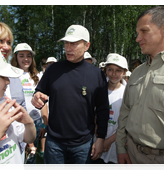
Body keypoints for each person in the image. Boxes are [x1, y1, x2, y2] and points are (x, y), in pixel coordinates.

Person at [116, 6, 164, 170]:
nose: (137, 38)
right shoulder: (137, 73)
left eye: (144, 31)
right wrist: (121, 148)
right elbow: (125, 112)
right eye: (138, 32)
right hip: (133, 156)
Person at [31, 24, 109, 170]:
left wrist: (101, 138)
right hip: (54, 143)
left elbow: (103, 109)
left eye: (74, 43)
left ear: (87, 46)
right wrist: (37, 97)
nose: (68, 48)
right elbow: (39, 92)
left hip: (83, 145)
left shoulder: (97, 74)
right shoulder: (53, 69)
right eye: (66, 43)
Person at [11, 43, 48, 169]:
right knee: (17, 155)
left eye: (28, 56)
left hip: (36, 122)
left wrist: (44, 122)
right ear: (15, 57)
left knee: (31, 157)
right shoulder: (11, 76)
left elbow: (43, 102)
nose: (25, 59)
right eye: (21, 56)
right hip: (18, 122)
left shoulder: (38, 76)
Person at [89, 53, 128, 170]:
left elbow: (126, 123)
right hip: (96, 139)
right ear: (105, 70)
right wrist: (97, 130)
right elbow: (92, 111)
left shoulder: (126, 93)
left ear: (124, 72)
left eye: (118, 70)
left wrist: (108, 141)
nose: (113, 74)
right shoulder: (98, 89)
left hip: (115, 143)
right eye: (110, 69)